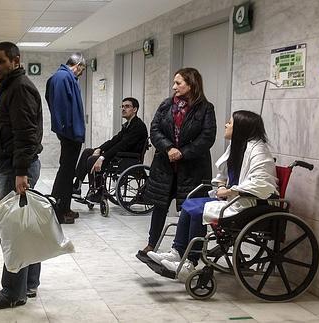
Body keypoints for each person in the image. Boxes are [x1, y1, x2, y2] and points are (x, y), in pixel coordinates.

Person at [147, 110, 278, 280]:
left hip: (250, 204)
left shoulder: (259, 150)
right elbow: (223, 176)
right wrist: (222, 185)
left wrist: (230, 191)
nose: (226, 124)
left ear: (241, 128)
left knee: (199, 210)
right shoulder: (237, 146)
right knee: (190, 204)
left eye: (230, 123)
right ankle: (177, 252)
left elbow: (262, 183)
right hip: (232, 200)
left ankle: (190, 262)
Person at [0, 41, 43, 310]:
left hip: (17, 168)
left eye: (1, 61)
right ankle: (28, 283)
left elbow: (26, 134)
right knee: (23, 226)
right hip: (10, 166)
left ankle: (13, 292)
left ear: (16, 60)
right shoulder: (10, 84)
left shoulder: (19, 88)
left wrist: (20, 172)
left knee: (12, 232)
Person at [139, 67, 217, 256]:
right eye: (174, 83)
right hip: (165, 167)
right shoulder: (166, 105)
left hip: (193, 169)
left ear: (191, 85)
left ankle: (189, 250)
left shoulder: (206, 108)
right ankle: (152, 243)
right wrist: (168, 148)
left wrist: (182, 152)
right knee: (159, 207)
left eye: (178, 83)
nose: (174, 87)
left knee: (191, 210)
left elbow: (207, 137)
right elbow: (155, 129)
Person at [72, 97, 148, 203]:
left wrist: (103, 157)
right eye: (122, 106)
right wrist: (99, 149)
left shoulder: (138, 126)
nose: (123, 109)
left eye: (127, 106)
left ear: (135, 109)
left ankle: (97, 193)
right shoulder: (128, 125)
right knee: (88, 152)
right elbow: (114, 141)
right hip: (121, 155)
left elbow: (122, 145)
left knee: (92, 159)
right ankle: (77, 186)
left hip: (129, 158)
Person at [46, 53, 86, 224]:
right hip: (70, 134)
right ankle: (59, 210)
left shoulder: (62, 77)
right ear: (77, 65)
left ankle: (64, 208)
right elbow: (61, 106)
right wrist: (66, 130)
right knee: (66, 172)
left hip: (69, 132)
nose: (80, 75)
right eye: (81, 71)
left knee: (67, 171)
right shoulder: (63, 77)